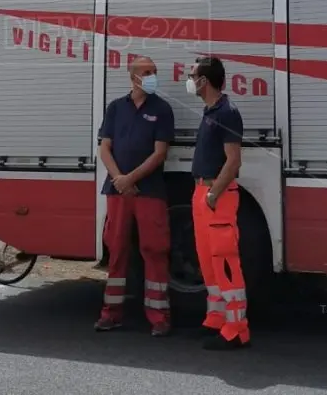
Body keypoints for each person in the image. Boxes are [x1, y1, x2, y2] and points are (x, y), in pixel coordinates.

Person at [94, 56, 174, 336]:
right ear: (134, 77)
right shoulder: (116, 108)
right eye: (147, 72)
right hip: (118, 191)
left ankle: (159, 318)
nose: (153, 76)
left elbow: (160, 152)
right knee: (117, 251)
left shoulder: (162, 109)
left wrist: (131, 179)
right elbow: (105, 148)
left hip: (149, 191)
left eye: (154, 71)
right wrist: (119, 179)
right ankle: (111, 314)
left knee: (155, 251)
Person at [186, 56, 249, 350]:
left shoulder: (227, 112)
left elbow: (233, 161)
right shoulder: (210, 110)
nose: (189, 80)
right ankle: (216, 319)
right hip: (203, 194)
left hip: (218, 196)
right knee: (208, 262)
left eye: (192, 75)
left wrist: (213, 195)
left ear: (205, 80)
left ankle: (237, 329)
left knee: (224, 262)